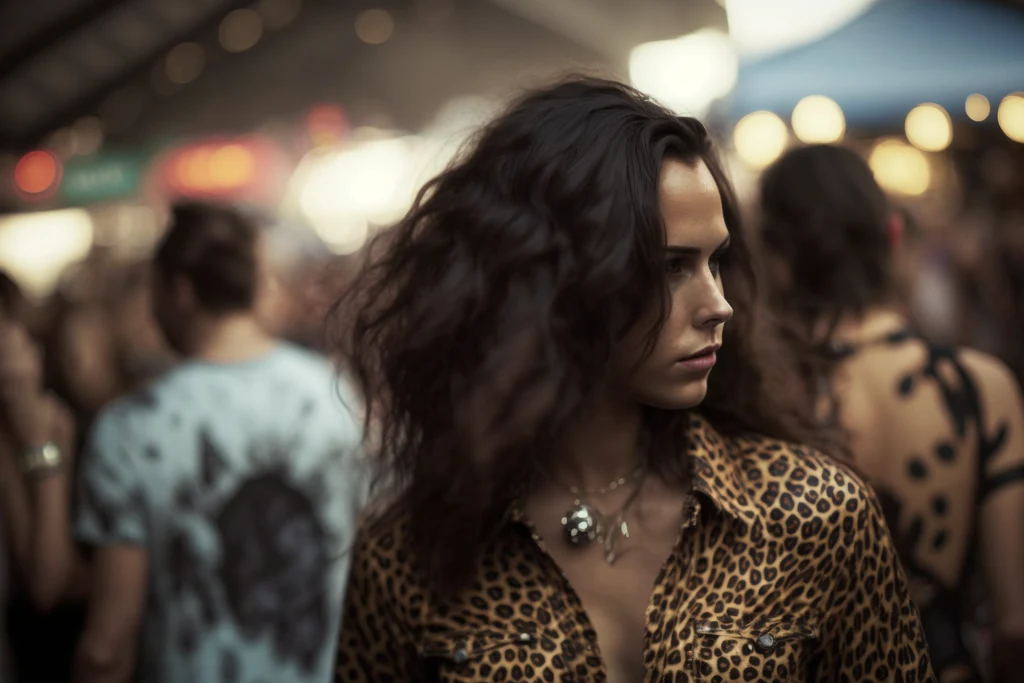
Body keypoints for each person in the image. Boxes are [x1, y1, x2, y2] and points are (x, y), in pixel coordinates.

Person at [331, 78, 934, 682]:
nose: (718, 303)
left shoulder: (811, 515)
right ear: (552, 280)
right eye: (671, 267)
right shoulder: (411, 559)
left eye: (716, 261)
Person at [758, 144, 1024, 683]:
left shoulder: (762, 396)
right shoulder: (981, 386)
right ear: (893, 236)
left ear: (777, 259)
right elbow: (1014, 624)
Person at [72, 202, 366, 683]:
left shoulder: (131, 428)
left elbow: (107, 647)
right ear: (252, 284)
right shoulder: (332, 393)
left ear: (179, 291)